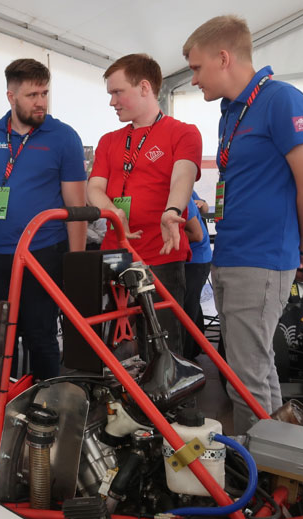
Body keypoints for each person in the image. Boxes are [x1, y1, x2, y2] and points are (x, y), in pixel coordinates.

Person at [183, 15, 303, 432]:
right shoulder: (232, 112)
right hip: (232, 254)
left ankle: (259, 463)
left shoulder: (282, 101)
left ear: (223, 58)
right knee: (250, 372)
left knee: (247, 379)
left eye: (197, 68)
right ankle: (276, 455)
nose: (193, 79)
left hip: (260, 258)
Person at [0, 58, 87, 379]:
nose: (41, 102)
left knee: (40, 336)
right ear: (11, 96)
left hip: (42, 253)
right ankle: (3, 402)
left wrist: (75, 264)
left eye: (44, 93)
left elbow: (76, 208)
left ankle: (47, 401)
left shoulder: (64, 137)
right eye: (32, 95)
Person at [86, 53, 202, 355]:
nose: (112, 102)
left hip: (160, 255)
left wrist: (172, 211)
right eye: (111, 94)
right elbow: (94, 188)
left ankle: (165, 387)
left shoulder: (183, 132)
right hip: (115, 254)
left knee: (163, 345)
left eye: (118, 92)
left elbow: (183, 177)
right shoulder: (109, 140)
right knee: (112, 345)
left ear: (145, 88)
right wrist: (114, 213)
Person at [183, 193, 212, 359]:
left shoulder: (181, 189)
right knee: (191, 304)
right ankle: (195, 348)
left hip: (196, 258)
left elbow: (197, 235)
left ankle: (186, 356)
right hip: (186, 258)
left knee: (187, 307)